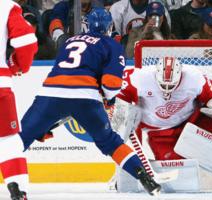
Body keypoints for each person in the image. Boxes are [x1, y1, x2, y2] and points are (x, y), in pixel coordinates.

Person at [18, 7, 161, 196]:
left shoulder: (69, 41)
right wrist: (109, 99)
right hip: (85, 98)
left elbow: (65, 76)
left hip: (50, 93)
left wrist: (43, 125)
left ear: (86, 25)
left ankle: (13, 180)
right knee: (110, 142)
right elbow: (111, 84)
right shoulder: (111, 44)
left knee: (19, 139)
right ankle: (145, 178)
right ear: (109, 27)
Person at [117, 57, 212, 161]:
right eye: (163, 85)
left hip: (193, 122)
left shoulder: (194, 77)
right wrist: (122, 112)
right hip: (159, 132)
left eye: (171, 85)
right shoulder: (139, 78)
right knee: (175, 169)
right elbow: (116, 93)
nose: (167, 90)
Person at [0, 0, 38, 199]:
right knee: (7, 141)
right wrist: (17, 65)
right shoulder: (5, 6)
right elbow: (26, 42)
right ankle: (17, 188)